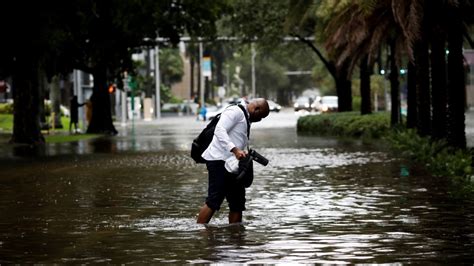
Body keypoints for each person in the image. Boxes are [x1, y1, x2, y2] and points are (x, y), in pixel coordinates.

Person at [196, 98, 270, 224]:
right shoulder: (235, 111)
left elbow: (237, 137)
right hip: (218, 160)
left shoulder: (246, 116)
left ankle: (236, 238)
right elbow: (219, 130)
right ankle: (200, 233)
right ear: (256, 109)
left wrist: (242, 152)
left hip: (234, 164)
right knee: (214, 201)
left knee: (237, 203)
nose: (260, 120)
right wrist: (235, 150)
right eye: (261, 116)